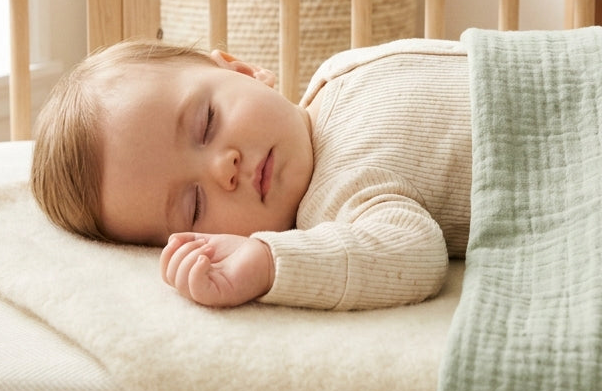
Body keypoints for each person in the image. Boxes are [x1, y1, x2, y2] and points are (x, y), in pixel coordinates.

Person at [31, 37, 471, 310]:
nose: (224, 168)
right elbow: (414, 253)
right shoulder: (335, 206)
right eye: (195, 204)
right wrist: (267, 262)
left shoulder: (337, 74)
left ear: (241, 70)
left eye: (206, 123)